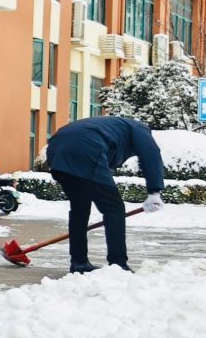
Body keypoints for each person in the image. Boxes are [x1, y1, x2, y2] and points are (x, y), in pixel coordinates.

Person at [43, 115, 165, 273]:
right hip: (87, 148)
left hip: (56, 150)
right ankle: (118, 264)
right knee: (114, 208)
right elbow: (151, 154)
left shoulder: (112, 128)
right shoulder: (139, 129)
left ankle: (79, 262)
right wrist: (154, 190)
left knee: (79, 208)